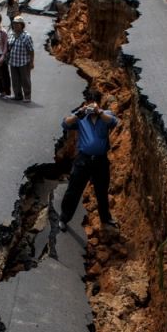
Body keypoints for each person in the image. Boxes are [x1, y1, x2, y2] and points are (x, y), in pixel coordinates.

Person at [57, 90, 120, 232]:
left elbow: (114, 122)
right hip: (83, 159)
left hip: (101, 161)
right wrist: (79, 112)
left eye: (94, 104)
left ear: (99, 103)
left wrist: (99, 112)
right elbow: (65, 124)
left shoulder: (105, 115)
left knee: (102, 191)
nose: (91, 107)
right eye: (89, 104)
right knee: (73, 190)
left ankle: (106, 219)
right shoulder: (80, 116)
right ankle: (64, 218)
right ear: (85, 103)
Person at [6, 16, 34, 102]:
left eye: (18, 24)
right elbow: (8, 46)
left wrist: (32, 62)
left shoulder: (27, 36)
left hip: (23, 62)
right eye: (14, 24)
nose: (15, 26)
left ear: (22, 25)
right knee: (15, 80)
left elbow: (31, 50)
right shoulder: (11, 34)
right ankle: (17, 95)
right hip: (13, 61)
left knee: (25, 80)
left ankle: (27, 96)